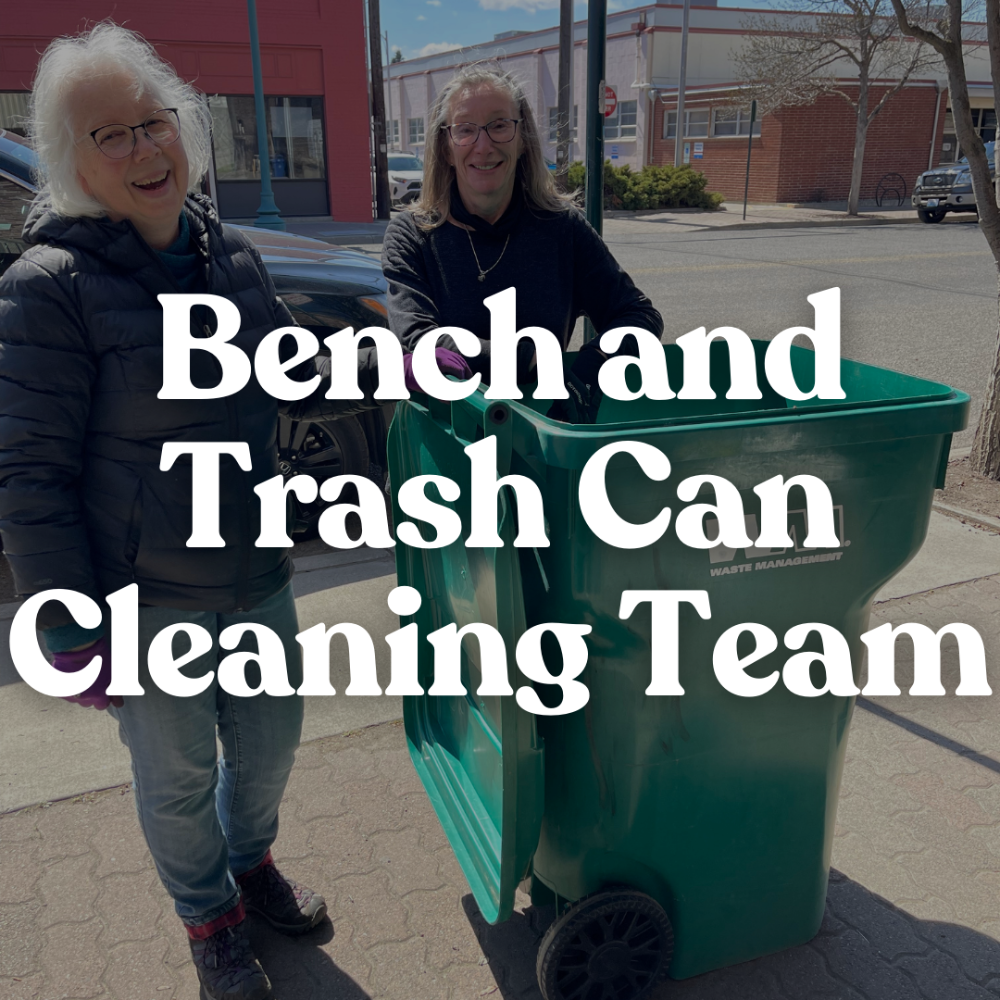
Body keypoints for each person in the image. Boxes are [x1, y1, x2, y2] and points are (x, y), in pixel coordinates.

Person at [0, 24, 383, 1000]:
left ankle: (248, 864)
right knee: (174, 781)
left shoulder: (235, 256)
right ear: (72, 160)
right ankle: (209, 919)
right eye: (109, 135)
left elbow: (297, 373)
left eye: (152, 121)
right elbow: (30, 475)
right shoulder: (49, 292)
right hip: (149, 601)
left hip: (253, 573)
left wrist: (407, 366)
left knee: (270, 748)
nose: (143, 149)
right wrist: (73, 620)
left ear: (182, 126)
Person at [382, 63, 663, 418]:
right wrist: (532, 359)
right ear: (445, 147)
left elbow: (638, 315)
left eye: (499, 125)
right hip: (444, 448)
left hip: (541, 449)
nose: (483, 146)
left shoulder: (562, 229)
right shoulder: (411, 236)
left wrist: (588, 372)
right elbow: (423, 345)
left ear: (523, 140)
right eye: (465, 130)